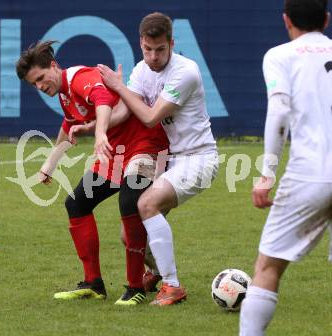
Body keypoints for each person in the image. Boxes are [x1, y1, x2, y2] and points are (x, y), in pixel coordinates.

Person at [16, 40, 169, 305]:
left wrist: (99, 133)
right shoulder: (64, 93)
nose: (40, 86)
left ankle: (136, 287)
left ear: (54, 66)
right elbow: (69, 124)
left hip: (145, 145)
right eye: (34, 84)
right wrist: (50, 164)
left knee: (129, 202)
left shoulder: (79, 77)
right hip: (116, 153)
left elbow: (102, 99)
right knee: (76, 204)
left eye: (41, 78)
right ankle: (93, 283)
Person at [98, 12, 219, 305]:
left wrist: (118, 86)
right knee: (131, 235)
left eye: (160, 49)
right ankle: (153, 272)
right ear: (140, 43)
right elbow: (125, 111)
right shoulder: (141, 69)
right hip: (172, 159)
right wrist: (95, 127)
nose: (153, 56)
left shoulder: (185, 71)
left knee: (146, 204)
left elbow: (150, 118)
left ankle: (172, 286)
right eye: (147, 49)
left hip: (198, 158)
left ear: (172, 43)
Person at [239, 0, 332, 334]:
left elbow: (279, 112)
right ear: (326, 18)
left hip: (310, 174)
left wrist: (266, 175)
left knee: (268, 267)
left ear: (286, 20)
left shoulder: (280, 55)